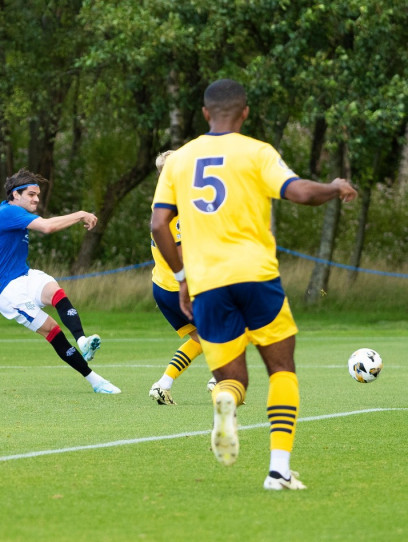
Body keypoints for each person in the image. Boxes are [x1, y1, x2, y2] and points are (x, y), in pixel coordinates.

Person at [151, 78, 357, 490]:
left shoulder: (179, 159)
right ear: (245, 112)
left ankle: (224, 401)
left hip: (207, 284)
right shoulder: (256, 152)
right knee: (281, 368)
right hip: (256, 276)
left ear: (206, 114)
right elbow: (299, 192)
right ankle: (279, 469)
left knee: (233, 379)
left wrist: (181, 279)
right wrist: (334, 188)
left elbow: (158, 224)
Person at [0, 169, 121, 394]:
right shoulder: (9, 213)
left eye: (38, 195)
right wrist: (81, 214)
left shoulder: (5, 212)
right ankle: (95, 381)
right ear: (15, 195)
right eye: (31, 194)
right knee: (52, 330)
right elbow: (47, 227)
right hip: (7, 291)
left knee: (55, 291)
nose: (36, 199)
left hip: (23, 275)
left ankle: (82, 341)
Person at [147, 151, 212, 405]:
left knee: (199, 338)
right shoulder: (174, 207)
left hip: (161, 286)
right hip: (180, 287)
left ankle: (163, 385)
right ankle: (221, 380)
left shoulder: (163, 202)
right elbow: (182, 252)